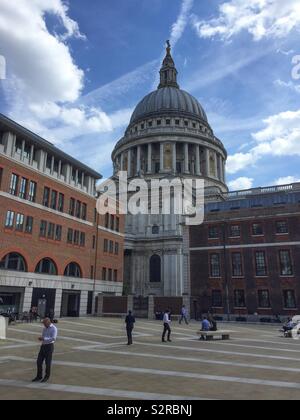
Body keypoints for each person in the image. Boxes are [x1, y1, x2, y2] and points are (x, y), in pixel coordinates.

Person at [32, 318, 57, 383]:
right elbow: (43, 336)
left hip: (49, 346)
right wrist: (42, 338)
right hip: (43, 346)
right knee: (39, 362)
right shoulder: (44, 328)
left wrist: (44, 338)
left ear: (48, 322)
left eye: (44, 324)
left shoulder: (54, 328)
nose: (44, 325)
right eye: (43, 324)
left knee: (47, 363)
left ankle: (46, 376)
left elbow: (53, 339)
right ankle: (39, 376)